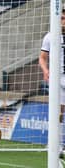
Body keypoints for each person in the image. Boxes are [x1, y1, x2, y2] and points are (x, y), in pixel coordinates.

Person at [39, 9, 65, 158]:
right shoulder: (50, 36)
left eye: (64, 18)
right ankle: (58, 144)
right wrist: (45, 70)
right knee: (59, 112)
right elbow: (42, 57)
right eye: (61, 18)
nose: (63, 21)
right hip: (57, 78)